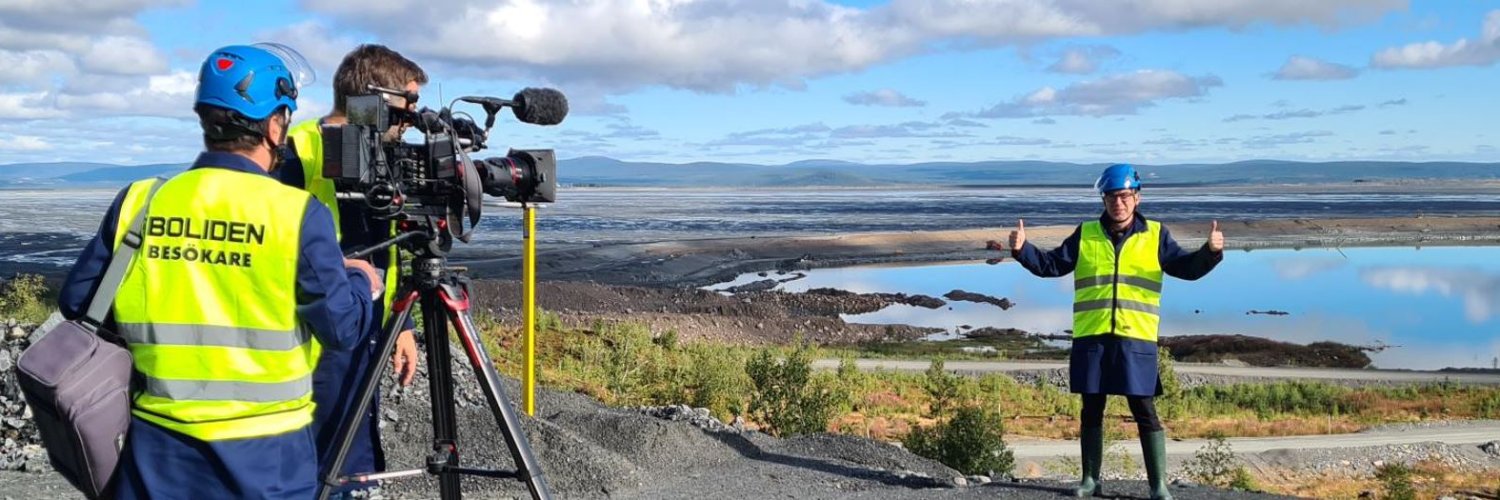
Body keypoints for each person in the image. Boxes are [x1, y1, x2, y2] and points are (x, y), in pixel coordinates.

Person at [55, 43, 381, 499]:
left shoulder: (141, 199)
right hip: (268, 454)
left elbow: (79, 303)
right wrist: (361, 280)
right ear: (274, 124)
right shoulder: (296, 213)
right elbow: (342, 329)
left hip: (156, 448)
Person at [1001, 163, 1223, 499]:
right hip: (1093, 337)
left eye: (1124, 196)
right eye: (1111, 197)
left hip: (1136, 338)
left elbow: (1185, 268)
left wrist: (1211, 252)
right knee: (1091, 410)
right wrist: (1022, 250)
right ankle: (1091, 480)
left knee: (1144, 410)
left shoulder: (1156, 234)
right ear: (1103, 200)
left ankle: (1158, 485)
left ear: (1137, 197)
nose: (1118, 203)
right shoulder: (1086, 233)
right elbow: (1053, 265)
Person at [275, 43, 427, 494]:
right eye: (406, 106)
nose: (411, 119)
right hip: (309, 346)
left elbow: (388, 253)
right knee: (312, 470)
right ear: (372, 101)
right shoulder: (296, 154)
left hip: (366, 336)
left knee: (351, 460)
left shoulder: (385, 158)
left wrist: (402, 325)